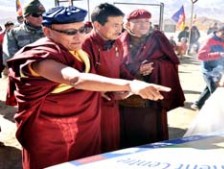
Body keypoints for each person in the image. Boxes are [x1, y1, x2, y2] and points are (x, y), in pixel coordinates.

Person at [7, 6, 170, 169]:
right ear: (47, 31)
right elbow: (75, 78)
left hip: (83, 127)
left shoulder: (78, 52)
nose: (79, 37)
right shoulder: (40, 57)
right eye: (70, 32)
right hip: (51, 132)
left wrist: (111, 90)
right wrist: (130, 85)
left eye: (82, 29)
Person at [119, 9, 185, 148]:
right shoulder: (120, 40)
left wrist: (155, 66)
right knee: (129, 134)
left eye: (146, 21)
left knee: (151, 134)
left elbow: (172, 63)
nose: (143, 25)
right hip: (128, 98)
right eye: (137, 22)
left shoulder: (158, 38)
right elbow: (115, 65)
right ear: (127, 24)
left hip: (152, 99)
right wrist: (137, 69)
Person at [82, 3, 124, 153]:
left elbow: (121, 68)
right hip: (94, 105)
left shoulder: (117, 42)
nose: (120, 29)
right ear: (97, 25)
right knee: (94, 147)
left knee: (112, 143)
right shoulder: (85, 45)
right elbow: (84, 78)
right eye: (115, 25)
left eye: (121, 24)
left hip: (113, 103)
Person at [191, 23, 224, 110]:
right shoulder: (209, 40)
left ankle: (198, 104)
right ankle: (216, 112)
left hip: (221, 70)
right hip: (209, 70)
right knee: (216, 91)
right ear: (218, 31)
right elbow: (200, 56)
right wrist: (218, 54)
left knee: (210, 87)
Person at [2, 0, 45, 66]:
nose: (40, 18)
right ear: (26, 16)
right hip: (25, 73)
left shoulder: (50, 31)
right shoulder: (13, 33)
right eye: (35, 15)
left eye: (42, 14)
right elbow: (9, 59)